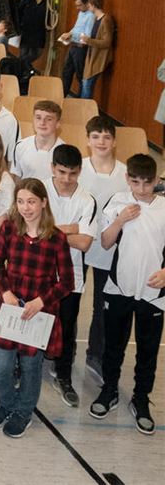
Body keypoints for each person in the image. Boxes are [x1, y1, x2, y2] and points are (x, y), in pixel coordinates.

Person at [0, 178, 74, 438]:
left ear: (44, 203)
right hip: (11, 308)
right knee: (2, 365)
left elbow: (67, 282)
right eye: (21, 201)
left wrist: (41, 301)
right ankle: (6, 404)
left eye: (32, 202)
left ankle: (24, 412)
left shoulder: (57, 238)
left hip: (38, 313)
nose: (26, 207)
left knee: (30, 366)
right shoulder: (9, 229)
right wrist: (6, 292)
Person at [91, 154, 165, 435]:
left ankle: (141, 399)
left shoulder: (164, 207)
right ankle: (108, 390)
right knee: (113, 346)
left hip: (154, 292)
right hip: (119, 287)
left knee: (147, 350)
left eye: (148, 183)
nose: (142, 188)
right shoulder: (118, 201)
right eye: (136, 182)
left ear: (157, 181)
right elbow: (106, 242)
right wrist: (120, 219)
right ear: (127, 179)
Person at [40, 145, 97, 407]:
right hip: (37, 270)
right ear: (52, 168)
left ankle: (63, 376)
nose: (66, 178)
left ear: (79, 172)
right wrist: (71, 228)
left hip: (69, 274)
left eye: (72, 174)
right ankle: (24, 366)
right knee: (32, 320)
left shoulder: (87, 200)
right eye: (61, 172)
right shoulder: (38, 190)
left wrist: (51, 229)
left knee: (66, 326)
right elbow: (31, 229)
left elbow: (85, 243)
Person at [78, 116, 129, 382]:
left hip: (108, 249)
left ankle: (95, 354)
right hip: (78, 245)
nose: (101, 142)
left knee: (101, 305)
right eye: (96, 136)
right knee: (70, 300)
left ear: (114, 142)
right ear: (87, 140)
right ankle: (59, 352)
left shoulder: (124, 174)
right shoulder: (80, 169)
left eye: (107, 137)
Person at [12, 100, 64, 180]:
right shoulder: (20, 146)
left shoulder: (64, 152)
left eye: (49, 119)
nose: (42, 122)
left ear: (58, 123)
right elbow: (17, 178)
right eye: (38, 118)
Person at [57, 0, 93, 97]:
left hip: (81, 48)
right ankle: (62, 96)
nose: (77, 8)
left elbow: (87, 34)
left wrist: (72, 35)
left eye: (79, 5)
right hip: (73, 45)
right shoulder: (81, 13)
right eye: (76, 5)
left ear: (87, 3)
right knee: (66, 72)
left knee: (80, 75)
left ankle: (80, 99)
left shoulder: (91, 16)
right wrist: (68, 33)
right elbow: (76, 27)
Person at [79, 0, 114, 99]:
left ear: (94, 6)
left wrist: (88, 40)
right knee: (85, 83)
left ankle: (84, 110)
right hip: (91, 55)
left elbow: (107, 42)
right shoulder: (95, 19)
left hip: (98, 57)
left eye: (89, 6)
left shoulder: (106, 20)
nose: (89, 8)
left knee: (87, 84)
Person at [17, 0, 48, 73]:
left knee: (37, 52)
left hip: (40, 30)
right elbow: (19, 9)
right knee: (24, 51)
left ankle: (21, 64)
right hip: (27, 28)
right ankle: (21, 71)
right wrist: (20, 23)